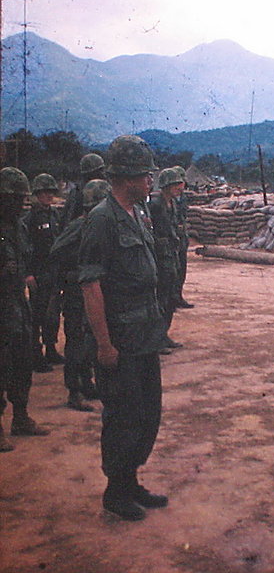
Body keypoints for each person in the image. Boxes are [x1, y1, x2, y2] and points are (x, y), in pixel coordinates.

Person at [79, 135, 167, 521]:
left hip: (145, 334)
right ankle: (116, 491)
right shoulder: (102, 219)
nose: (150, 180)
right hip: (121, 339)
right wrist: (104, 344)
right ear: (126, 177)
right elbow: (90, 285)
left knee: (147, 413)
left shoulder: (136, 213)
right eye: (144, 174)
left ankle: (129, 482)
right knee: (123, 416)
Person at [50, 179, 111, 412]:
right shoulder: (80, 225)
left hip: (92, 290)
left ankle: (86, 383)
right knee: (75, 341)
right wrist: (74, 271)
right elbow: (56, 252)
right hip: (77, 292)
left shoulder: (98, 225)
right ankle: (74, 391)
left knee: (90, 340)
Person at [0, 167, 49, 451]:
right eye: (13, 199)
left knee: (22, 362)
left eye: (21, 199)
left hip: (18, 304)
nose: (19, 204)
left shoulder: (18, 225)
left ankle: (21, 418)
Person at [22, 173, 63, 371]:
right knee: (37, 316)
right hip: (38, 273)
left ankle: (51, 349)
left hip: (53, 271)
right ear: (36, 194)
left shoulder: (55, 215)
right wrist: (28, 274)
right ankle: (35, 355)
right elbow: (25, 246)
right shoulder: (30, 218)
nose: (47, 196)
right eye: (43, 192)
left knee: (53, 315)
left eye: (50, 192)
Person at [148, 167, 185, 352]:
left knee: (170, 298)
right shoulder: (156, 205)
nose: (179, 187)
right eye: (175, 184)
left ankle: (164, 335)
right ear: (166, 185)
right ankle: (156, 339)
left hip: (172, 255)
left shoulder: (173, 204)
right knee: (160, 299)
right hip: (160, 257)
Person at [60, 153, 106, 232]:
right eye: (99, 171)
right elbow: (69, 220)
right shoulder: (78, 194)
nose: (102, 174)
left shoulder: (103, 189)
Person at [173, 166, 194, 309]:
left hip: (181, 237)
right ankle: (170, 299)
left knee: (181, 270)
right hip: (172, 238)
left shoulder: (183, 198)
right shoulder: (167, 200)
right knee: (171, 272)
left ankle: (178, 297)